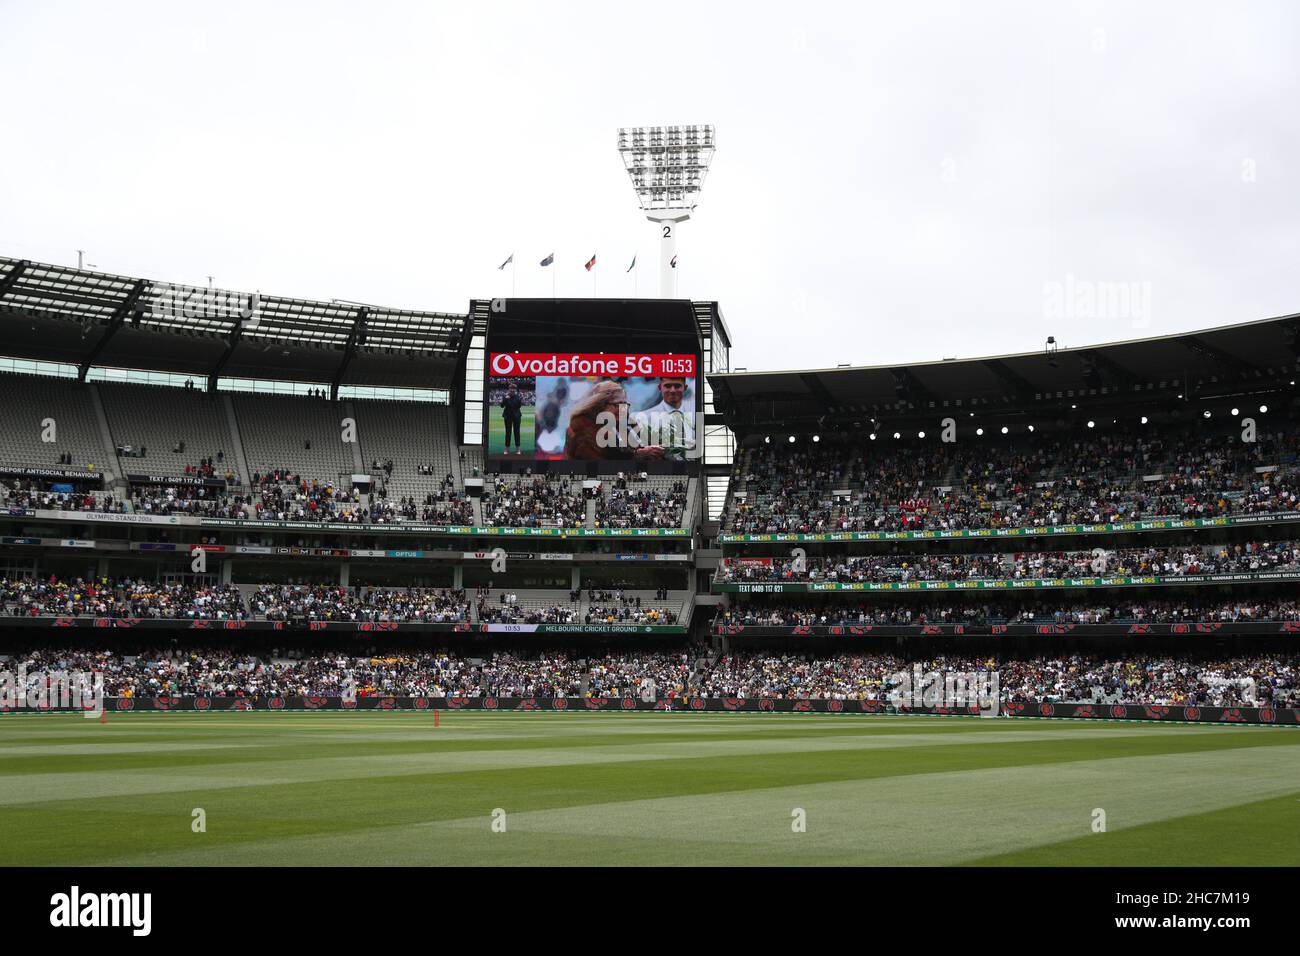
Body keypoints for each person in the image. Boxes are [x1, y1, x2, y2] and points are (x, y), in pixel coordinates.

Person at [633, 377, 694, 457]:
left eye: (677, 386)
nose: (672, 390)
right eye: (668, 386)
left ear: (685, 388)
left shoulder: (694, 415)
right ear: (660, 388)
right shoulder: (644, 418)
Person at [500, 382, 524, 455]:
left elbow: (518, 406)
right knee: (508, 432)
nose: (512, 391)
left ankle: (518, 449)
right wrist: (505, 399)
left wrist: (520, 400)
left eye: (513, 390)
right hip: (507, 416)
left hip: (516, 416)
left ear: (515, 390)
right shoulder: (505, 397)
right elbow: (501, 406)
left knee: (517, 432)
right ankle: (507, 449)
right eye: (511, 390)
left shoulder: (518, 397)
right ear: (509, 390)